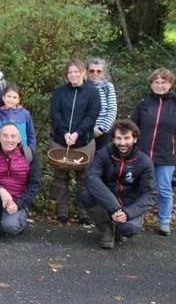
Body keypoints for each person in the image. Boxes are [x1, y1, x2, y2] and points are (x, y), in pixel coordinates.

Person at [81, 119, 157, 248]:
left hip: (130, 204)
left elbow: (150, 194)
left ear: (135, 139)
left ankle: (121, 229)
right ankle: (107, 230)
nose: (122, 143)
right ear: (113, 139)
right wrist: (115, 208)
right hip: (108, 202)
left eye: (126, 138)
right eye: (118, 138)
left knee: (128, 229)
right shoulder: (103, 154)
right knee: (85, 194)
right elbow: (91, 177)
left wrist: (128, 213)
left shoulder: (145, 162)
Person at [50, 58, 101, 224]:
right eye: (70, 72)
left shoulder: (92, 92)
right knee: (60, 177)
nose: (73, 75)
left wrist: (78, 133)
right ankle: (62, 211)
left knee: (83, 178)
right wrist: (65, 132)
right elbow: (55, 113)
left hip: (83, 142)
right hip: (60, 139)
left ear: (83, 73)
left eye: (76, 72)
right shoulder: (59, 92)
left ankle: (83, 212)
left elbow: (92, 116)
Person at [131, 68, 176, 236]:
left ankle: (164, 222)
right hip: (142, 153)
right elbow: (133, 126)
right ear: (151, 84)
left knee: (164, 189)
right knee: (140, 187)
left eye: (163, 82)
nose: (160, 85)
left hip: (166, 155)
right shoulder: (144, 103)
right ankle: (136, 218)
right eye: (156, 82)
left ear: (170, 84)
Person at [85, 58, 117, 150]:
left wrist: (101, 128)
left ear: (103, 73)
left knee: (101, 161)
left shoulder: (108, 87)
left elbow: (112, 110)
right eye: (92, 71)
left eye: (99, 71)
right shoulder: (82, 87)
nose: (95, 74)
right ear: (87, 72)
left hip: (103, 132)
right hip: (84, 132)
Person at [0, 86, 36, 151]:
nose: (11, 99)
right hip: (3, 151)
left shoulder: (25, 114)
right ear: (3, 98)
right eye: (9, 96)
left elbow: (31, 134)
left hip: (22, 151)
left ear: (19, 100)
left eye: (14, 97)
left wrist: (31, 151)